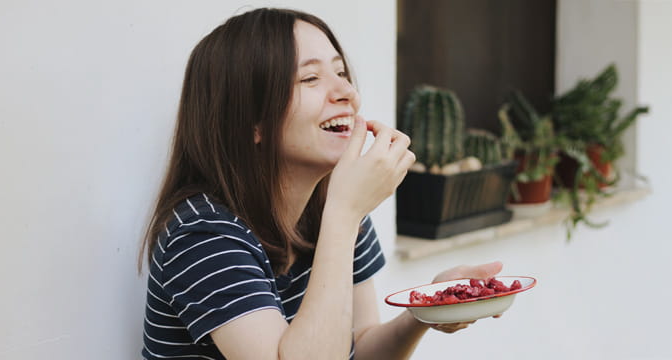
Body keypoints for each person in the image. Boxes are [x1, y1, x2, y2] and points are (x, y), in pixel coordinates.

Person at [140, 8, 503, 359]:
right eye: (310, 78)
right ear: (251, 121)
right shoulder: (202, 235)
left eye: (341, 72)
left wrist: (424, 311)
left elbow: (358, 347)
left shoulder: (336, 206)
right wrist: (344, 214)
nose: (347, 92)